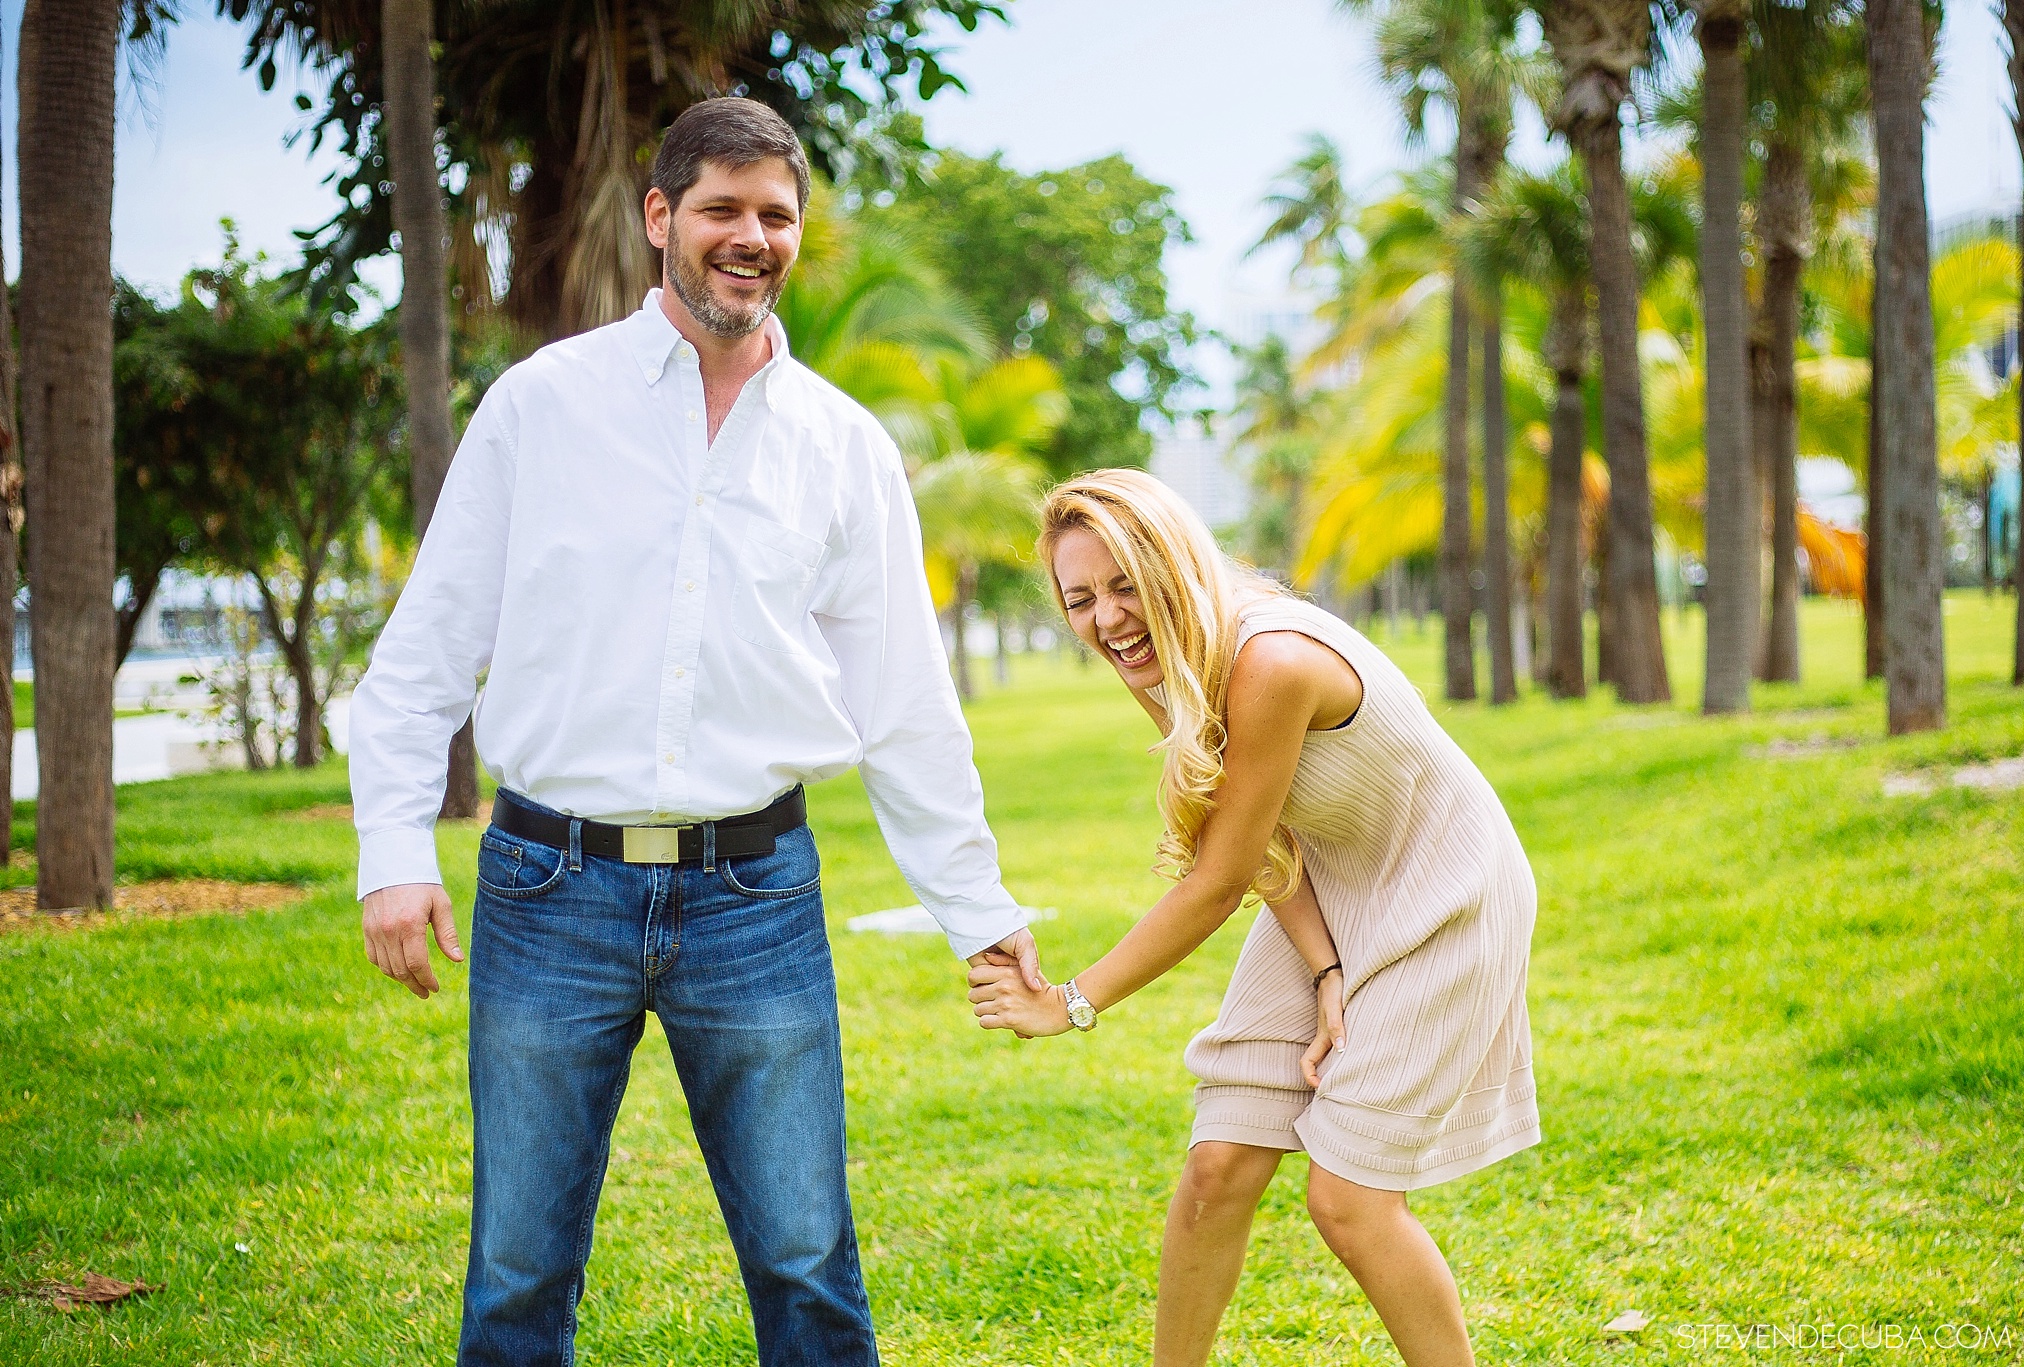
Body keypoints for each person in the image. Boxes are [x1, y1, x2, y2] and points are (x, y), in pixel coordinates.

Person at [348, 97, 1042, 1367]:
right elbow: (425, 651)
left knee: (805, 1260)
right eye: (722, 207)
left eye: (775, 214)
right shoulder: (541, 406)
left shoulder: (843, 445)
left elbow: (901, 701)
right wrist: (392, 849)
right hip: (547, 882)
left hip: (754, 893)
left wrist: (976, 904)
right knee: (516, 1268)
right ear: (660, 217)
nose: (751, 236)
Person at [968, 469, 1538, 1367]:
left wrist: (1071, 1000)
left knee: (1348, 1199)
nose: (1108, 620)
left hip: (1446, 892)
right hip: (1331, 873)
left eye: (1125, 585)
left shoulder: (1267, 661)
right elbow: (1263, 843)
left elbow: (1218, 878)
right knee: (1218, 1167)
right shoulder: (1156, 656)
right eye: (1080, 599)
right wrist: (1324, 968)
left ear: (1175, 565)